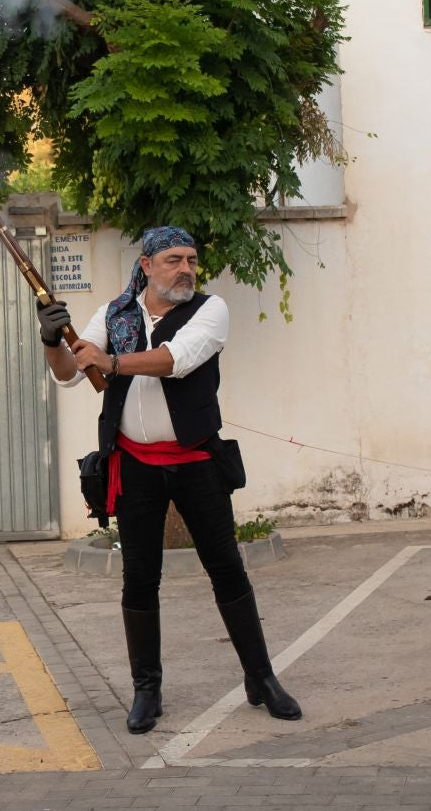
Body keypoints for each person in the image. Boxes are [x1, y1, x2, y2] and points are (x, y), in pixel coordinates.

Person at [38, 226, 301, 735]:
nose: (186, 269)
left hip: (197, 460)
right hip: (134, 464)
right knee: (139, 579)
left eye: (192, 260)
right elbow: (69, 373)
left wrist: (111, 361)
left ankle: (261, 678)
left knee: (226, 569)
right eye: (174, 259)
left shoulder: (210, 309)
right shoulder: (115, 314)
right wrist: (53, 340)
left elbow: (176, 361)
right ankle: (147, 690)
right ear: (146, 265)